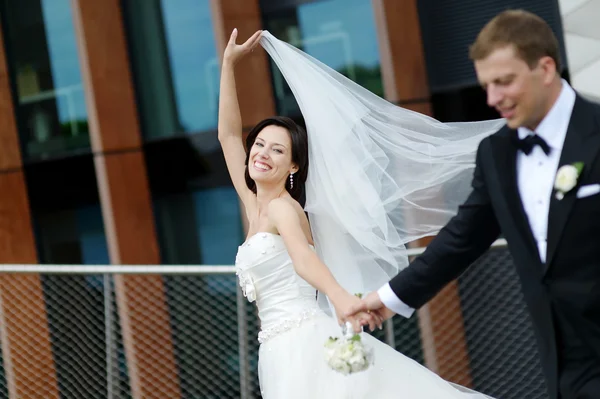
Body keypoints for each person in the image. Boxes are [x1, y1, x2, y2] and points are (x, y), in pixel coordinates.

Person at [219, 28, 494, 398]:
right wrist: (228, 65)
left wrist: (340, 297)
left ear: (294, 167)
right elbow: (228, 136)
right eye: (261, 145)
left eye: (277, 151)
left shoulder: (284, 209)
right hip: (275, 349)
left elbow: (303, 259)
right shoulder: (254, 203)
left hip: (304, 343)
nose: (262, 154)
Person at [348, 10, 600, 399]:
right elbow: (461, 239)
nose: (492, 98)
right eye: (486, 85)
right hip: (564, 367)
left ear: (546, 68)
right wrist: (386, 299)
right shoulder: (495, 154)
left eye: (504, 82)